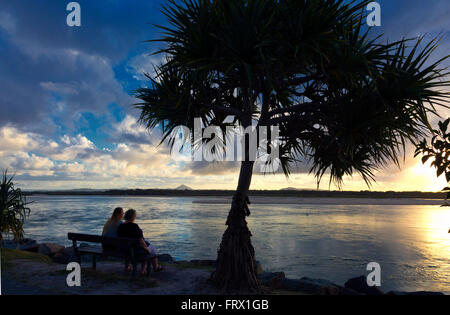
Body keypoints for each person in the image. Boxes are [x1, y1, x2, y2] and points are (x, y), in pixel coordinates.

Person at [117, 209, 163, 275]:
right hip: (135, 250)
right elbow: (141, 241)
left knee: (143, 248)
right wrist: (147, 249)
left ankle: (129, 267)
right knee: (152, 249)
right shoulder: (134, 226)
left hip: (124, 249)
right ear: (133, 217)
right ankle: (153, 268)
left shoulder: (121, 226)